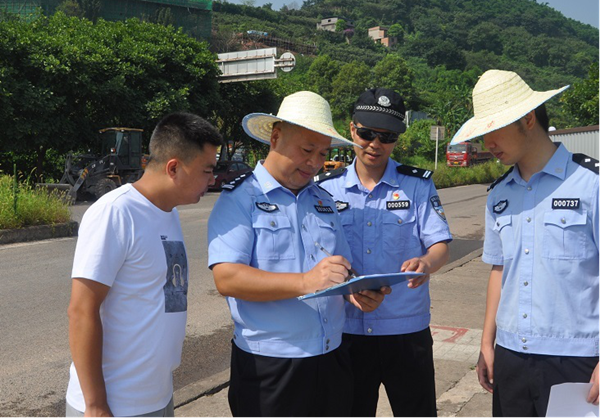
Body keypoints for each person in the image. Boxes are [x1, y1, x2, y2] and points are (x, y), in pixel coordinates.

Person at [207, 91, 390, 417]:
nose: (316, 162)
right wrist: (306, 281)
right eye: (307, 150)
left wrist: (357, 291)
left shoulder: (323, 200)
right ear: (275, 137)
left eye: (323, 153)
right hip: (271, 366)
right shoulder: (240, 199)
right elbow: (227, 278)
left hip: (332, 356)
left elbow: (342, 269)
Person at [450, 69, 600, 417]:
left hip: (577, 358)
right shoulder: (499, 195)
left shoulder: (590, 185)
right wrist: (487, 343)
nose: (486, 143)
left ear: (528, 119)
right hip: (511, 356)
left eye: (493, 130)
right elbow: (500, 270)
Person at [66, 112, 223, 418]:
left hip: (158, 398)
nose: (213, 179)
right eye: (207, 170)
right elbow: (81, 310)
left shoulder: (169, 213)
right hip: (115, 404)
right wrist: (96, 405)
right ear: (174, 167)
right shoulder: (116, 213)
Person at [317, 87, 452, 418]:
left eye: (387, 136)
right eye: (366, 133)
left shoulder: (417, 185)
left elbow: (439, 244)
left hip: (406, 333)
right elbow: (317, 255)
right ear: (352, 129)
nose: (375, 144)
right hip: (346, 333)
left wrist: (426, 263)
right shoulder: (324, 188)